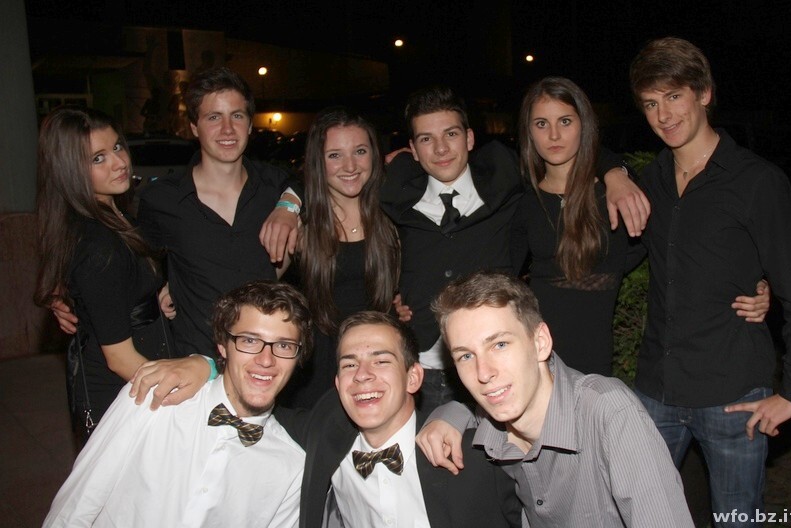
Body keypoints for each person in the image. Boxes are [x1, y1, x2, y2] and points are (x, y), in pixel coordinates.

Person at [382, 85, 648, 416]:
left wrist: (616, 172)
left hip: (503, 366)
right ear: (413, 148)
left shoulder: (506, 178)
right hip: (425, 369)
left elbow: (575, 151)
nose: (440, 148)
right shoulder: (395, 189)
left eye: (450, 134)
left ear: (469, 138)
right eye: (426, 139)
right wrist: (395, 297)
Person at [628, 37, 791, 525]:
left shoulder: (756, 181)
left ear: (704, 93)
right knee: (642, 516)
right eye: (650, 103)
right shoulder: (650, 180)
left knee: (737, 519)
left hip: (733, 395)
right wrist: (616, 174)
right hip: (657, 392)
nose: (663, 115)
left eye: (673, 96)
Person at [51, 68, 302, 397]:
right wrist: (63, 291)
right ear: (194, 127)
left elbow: (311, 181)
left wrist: (289, 206)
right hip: (194, 366)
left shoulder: (276, 185)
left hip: (266, 363)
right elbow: (117, 263)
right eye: (214, 117)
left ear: (250, 123)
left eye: (237, 115)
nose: (227, 129)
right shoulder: (160, 200)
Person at [511, 77, 769, 375]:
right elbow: (500, 276)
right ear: (529, 131)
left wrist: (753, 281)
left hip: (594, 363)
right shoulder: (523, 203)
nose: (554, 134)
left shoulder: (622, 196)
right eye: (541, 124)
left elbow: (688, 242)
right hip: (533, 357)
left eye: (565, 121)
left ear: (584, 124)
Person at [418, 270, 693, 527]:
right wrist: (447, 415)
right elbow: (474, 413)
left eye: (499, 345)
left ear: (540, 342)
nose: (483, 373)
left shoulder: (610, 414)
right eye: (466, 356)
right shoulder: (496, 420)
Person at [43, 280, 309, 527]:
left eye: (284, 346)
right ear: (222, 345)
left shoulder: (291, 469)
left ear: (298, 358)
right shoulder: (153, 397)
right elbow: (76, 506)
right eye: (249, 340)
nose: (266, 360)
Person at [292, 311, 521, 528]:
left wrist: (459, 412)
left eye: (381, 361)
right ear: (338, 384)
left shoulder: (474, 458)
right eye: (349, 365)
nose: (361, 375)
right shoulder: (324, 437)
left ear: (413, 378)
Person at [34, 106, 173, 431]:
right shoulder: (99, 245)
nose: (120, 162)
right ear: (70, 171)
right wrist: (181, 397)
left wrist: (159, 295)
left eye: (117, 147)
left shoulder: (116, 218)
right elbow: (120, 358)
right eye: (98, 158)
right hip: (125, 393)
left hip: (141, 377)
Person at [280, 107, 400, 408]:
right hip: (315, 378)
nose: (350, 166)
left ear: (375, 154)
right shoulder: (300, 226)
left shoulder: (393, 216)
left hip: (379, 369)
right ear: (318, 162)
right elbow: (250, 281)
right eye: (335, 155)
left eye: (360, 151)